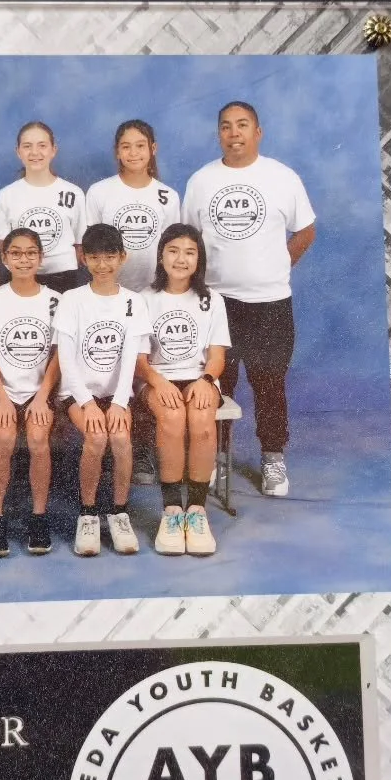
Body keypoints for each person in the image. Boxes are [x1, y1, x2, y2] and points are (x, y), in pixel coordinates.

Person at [183, 100, 315, 499]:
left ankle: (272, 456)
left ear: (258, 132)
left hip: (270, 303)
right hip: (217, 304)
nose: (234, 132)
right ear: (218, 133)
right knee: (216, 386)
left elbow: (305, 232)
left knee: (269, 383)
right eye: (226, 126)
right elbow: (188, 241)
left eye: (243, 125)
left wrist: (276, 267)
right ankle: (214, 456)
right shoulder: (201, 181)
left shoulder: (282, 178)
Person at [55, 223, 150, 557]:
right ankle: (89, 514)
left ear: (122, 257)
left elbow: (129, 357)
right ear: (83, 259)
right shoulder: (72, 300)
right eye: (94, 257)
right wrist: (87, 403)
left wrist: (121, 402)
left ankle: (119, 512)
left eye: (110, 257)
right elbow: (65, 357)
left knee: (121, 438)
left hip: (117, 394)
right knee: (96, 437)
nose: (102, 265)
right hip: (78, 393)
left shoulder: (134, 302)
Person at [136, 224, 228, 557]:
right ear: (161, 256)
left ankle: (197, 511)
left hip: (199, 378)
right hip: (157, 379)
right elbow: (139, 359)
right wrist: (157, 381)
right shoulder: (145, 299)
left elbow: (217, 356)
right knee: (173, 420)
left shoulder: (211, 300)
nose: (181, 258)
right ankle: (173, 511)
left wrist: (206, 381)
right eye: (173, 251)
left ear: (199, 260)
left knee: (202, 422)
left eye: (190, 252)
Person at [0, 228, 60, 557]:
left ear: (40, 258)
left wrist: (42, 396)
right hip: (2, 391)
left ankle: (38, 518)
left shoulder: (56, 300)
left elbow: (58, 354)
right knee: (4, 439)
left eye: (30, 253)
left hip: (41, 391)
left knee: (39, 439)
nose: (23, 259)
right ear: (5, 258)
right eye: (15, 253)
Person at [85, 119, 181, 293]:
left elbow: (172, 248)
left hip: (155, 289)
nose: (133, 153)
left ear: (153, 149)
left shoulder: (169, 196)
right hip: (111, 289)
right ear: (117, 152)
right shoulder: (98, 192)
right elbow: (92, 246)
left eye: (140, 146)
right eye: (126, 146)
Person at [0, 120, 85, 294]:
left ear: (53, 150)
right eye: (27, 146)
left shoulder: (74, 193)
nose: (35, 152)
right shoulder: (6, 195)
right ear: (18, 152)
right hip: (21, 278)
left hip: (64, 277)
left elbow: (79, 244)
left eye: (42, 145)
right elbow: (4, 245)